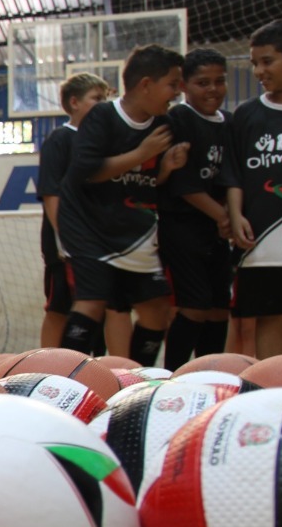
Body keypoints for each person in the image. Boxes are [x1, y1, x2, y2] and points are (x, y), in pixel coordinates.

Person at [56, 44, 188, 366]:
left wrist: (166, 168)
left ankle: (138, 376)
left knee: (157, 308)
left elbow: (146, 180)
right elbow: (88, 173)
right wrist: (141, 154)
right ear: (146, 84)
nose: (177, 92)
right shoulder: (103, 116)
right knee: (93, 301)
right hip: (87, 223)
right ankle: (64, 375)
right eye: (172, 84)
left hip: (134, 228)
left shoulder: (165, 124)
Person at [224, 20, 282, 359]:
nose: (258, 71)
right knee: (269, 321)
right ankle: (272, 387)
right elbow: (234, 174)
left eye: (267, 61)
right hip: (262, 244)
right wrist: (235, 215)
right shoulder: (246, 115)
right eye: (254, 63)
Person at [159, 49, 233, 368]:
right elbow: (184, 185)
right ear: (184, 86)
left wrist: (229, 217)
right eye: (203, 82)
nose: (213, 89)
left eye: (219, 81)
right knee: (194, 305)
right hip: (182, 227)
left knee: (219, 308)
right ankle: (172, 374)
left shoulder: (230, 122)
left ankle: (209, 374)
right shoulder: (178, 119)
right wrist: (225, 217)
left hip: (217, 229)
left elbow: (232, 178)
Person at [37, 73, 108, 349]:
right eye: (96, 98)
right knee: (59, 307)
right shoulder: (60, 139)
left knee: (100, 306)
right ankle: (47, 363)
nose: (103, 104)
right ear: (74, 102)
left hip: (99, 242)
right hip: (66, 245)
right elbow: (51, 194)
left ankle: (96, 361)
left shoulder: (104, 143)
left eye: (106, 99)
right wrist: (65, 238)